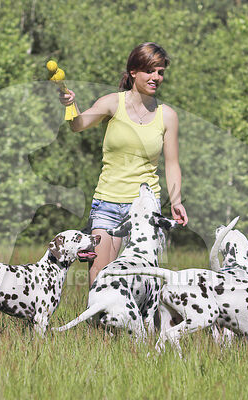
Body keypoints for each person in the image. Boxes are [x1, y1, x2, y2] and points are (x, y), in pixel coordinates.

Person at [59, 42, 188, 285]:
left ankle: (143, 323)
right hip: (107, 202)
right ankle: (99, 324)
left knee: (143, 279)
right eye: (150, 71)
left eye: (160, 72)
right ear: (133, 72)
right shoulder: (112, 103)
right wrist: (70, 106)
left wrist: (176, 201)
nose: (156, 77)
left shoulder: (167, 115)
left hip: (144, 209)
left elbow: (172, 164)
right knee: (100, 275)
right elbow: (77, 125)